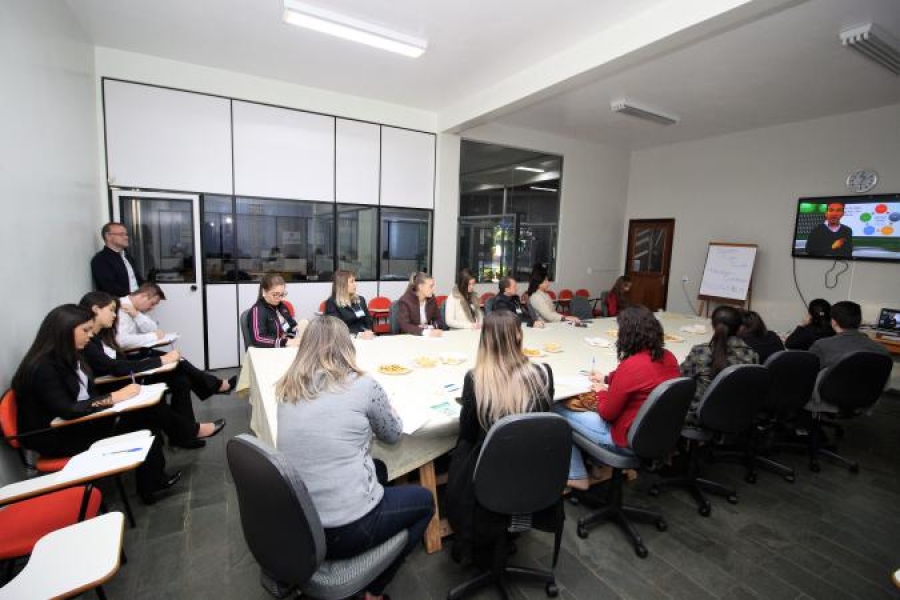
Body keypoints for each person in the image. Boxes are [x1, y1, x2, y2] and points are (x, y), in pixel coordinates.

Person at [275, 317, 434, 600]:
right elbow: (393, 435)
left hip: (299, 523)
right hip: (344, 531)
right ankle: (373, 590)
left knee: (381, 468)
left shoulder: (287, 388)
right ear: (346, 347)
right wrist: (391, 412)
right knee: (424, 502)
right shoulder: (363, 386)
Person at [12, 304, 182, 504]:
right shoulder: (44, 367)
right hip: (59, 437)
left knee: (148, 414)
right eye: (85, 331)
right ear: (64, 332)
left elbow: (82, 395)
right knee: (144, 422)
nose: (90, 336)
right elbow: (67, 410)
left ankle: (154, 480)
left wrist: (114, 399)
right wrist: (113, 398)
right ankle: (155, 478)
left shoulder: (68, 356)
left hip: (79, 423)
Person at [445, 310, 555, 566]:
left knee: (460, 449)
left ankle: (473, 528)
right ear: (519, 336)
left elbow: (468, 434)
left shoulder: (475, 379)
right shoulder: (543, 374)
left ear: (485, 339)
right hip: (531, 474)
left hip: (485, 478)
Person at [78, 291, 226, 448]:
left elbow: (121, 361)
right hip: (117, 384)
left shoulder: (102, 336)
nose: (115, 315)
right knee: (163, 391)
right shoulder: (88, 343)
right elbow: (114, 367)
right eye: (111, 310)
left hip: (127, 378)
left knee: (180, 380)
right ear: (96, 309)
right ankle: (192, 428)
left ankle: (186, 435)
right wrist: (159, 360)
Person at [554, 306, 680, 490]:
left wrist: (601, 391)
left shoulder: (631, 366)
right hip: (655, 434)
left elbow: (607, 413)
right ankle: (596, 464)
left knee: (557, 408)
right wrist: (606, 379)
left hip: (625, 439)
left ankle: (576, 474)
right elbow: (643, 379)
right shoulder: (669, 357)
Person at [680, 305, 759, 421]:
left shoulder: (701, 351)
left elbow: (680, 380)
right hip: (736, 417)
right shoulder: (752, 355)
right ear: (740, 328)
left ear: (713, 326)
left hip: (697, 417)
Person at [809, 301, 890, 372]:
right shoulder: (882, 350)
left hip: (831, 389)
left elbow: (807, 374)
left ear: (833, 322)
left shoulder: (821, 346)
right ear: (860, 322)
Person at [247, 274, 308, 348]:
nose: (279, 298)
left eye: (282, 294)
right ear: (264, 292)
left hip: (285, 347)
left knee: (305, 323)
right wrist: (285, 342)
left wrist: (291, 335)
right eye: (275, 294)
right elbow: (258, 339)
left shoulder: (282, 307)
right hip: (269, 351)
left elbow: (292, 326)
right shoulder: (257, 310)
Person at [90, 221, 143, 297]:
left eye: (126, 234)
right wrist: (133, 297)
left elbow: (138, 279)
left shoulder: (127, 256)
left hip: (136, 300)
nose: (126, 237)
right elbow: (110, 287)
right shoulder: (101, 260)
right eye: (121, 234)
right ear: (108, 236)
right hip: (119, 303)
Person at [324, 270, 374, 338]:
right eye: (352, 281)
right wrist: (358, 335)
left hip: (365, 338)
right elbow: (336, 328)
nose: (356, 284)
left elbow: (368, 321)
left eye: (355, 281)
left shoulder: (361, 300)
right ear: (342, 285)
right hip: (345, 340)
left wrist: (368, 331)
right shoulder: (332, 303)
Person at [397, 272, 446, 336]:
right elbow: (405, 325)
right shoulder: (405, 300)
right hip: (409, 337)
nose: (433, 289)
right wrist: (426, 332)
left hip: (426, 337)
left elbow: (439, 320)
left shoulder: (431, 299)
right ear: (420, 287)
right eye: (431, 286)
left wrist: (430, 327)